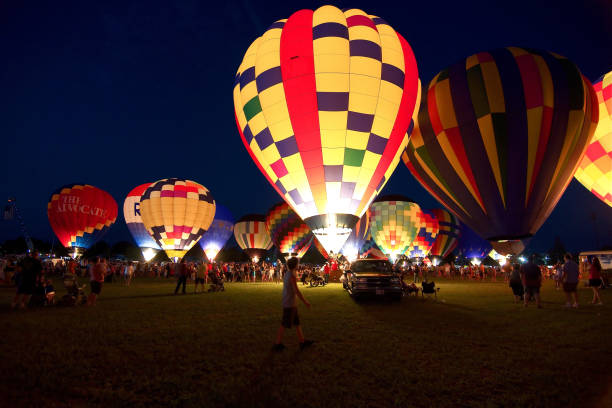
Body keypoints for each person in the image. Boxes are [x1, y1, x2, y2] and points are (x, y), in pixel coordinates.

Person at [273, 257, 313, 351]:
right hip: (289, 303)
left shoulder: (288, 273)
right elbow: (296, 291)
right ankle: (277, 344)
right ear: (295, 265)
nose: (298, 265)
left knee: (297, 322)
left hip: (290, 303)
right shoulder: (291, 275)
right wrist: (305, 301)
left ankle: (302, 341)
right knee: (284, 323)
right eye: (297, 263)